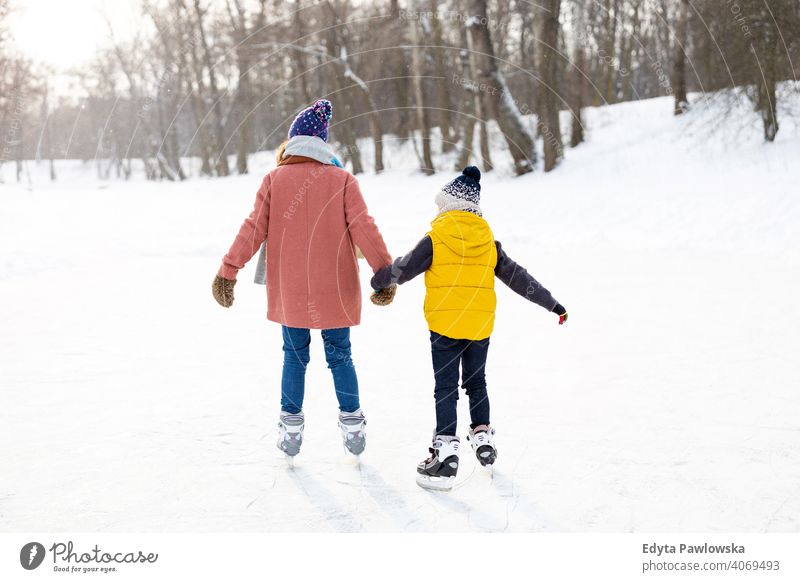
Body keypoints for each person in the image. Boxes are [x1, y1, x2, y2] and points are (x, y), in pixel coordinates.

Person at [212, 99, 392, 460]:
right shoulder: (342, 179)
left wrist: (228, 271)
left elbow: (253, 229)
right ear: (323, 144)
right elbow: (364, 228)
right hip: (336, 289)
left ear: (292, 142)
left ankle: (291, 429)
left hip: (291, 290)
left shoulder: (275, 180)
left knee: (294, 357)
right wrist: (383, 272)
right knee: (340, 356)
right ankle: (353, 423)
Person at [370, 166, 568, 490]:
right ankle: (482, 438)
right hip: (479, 326)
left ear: (448, 204)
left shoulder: (437, 235)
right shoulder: (487, 239)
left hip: (445, 326)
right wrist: (552, 304)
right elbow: (518, 278)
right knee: (477, 384)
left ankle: (445, 457)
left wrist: (379, 280)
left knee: (446, 387)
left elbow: (404, 268)